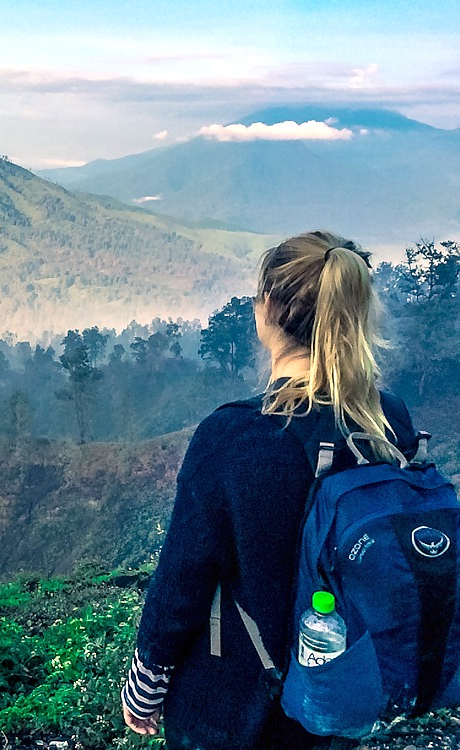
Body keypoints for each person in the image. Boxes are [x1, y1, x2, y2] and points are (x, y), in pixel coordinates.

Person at [119, 230, 419, 749]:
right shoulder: (386, 420)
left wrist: (144, 687)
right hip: (340, 690)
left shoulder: (232, 437)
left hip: (235, 710)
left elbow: (182, 582)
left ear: (269, 311)